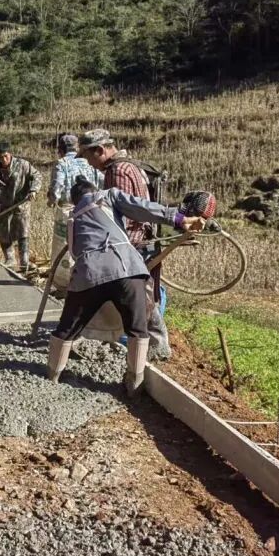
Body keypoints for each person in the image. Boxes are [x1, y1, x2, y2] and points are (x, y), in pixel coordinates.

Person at [47, 179, 205, 397]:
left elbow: (75, 253)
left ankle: (53, 375)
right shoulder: (107, 196)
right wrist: (180, 219)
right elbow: (141, 207)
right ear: (95, 191)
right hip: (127, 269)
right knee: (137, 328)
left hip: (89, 272)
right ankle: (134, 385)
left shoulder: (73, 218)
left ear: (75, 200)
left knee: (67, 328)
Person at [78, 128, 172, 358]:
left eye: (89, 157)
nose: (89, 164)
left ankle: (156, 345)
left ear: (99, 150)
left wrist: (115, 246)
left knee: (140, 296)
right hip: (139, 241)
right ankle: (116, 338)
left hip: (132, 243)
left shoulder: (117, 172)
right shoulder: (129, 166)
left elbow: (126, 212)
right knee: (137, 294)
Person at [46, 133, 99, 289]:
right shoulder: (88, 162)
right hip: (91, 209)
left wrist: (52, 200)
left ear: (61, 150)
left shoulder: (62, 164)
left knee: (65, 247)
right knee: (86, 244)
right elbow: (100, 183)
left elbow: (56, 188)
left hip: (69, 210)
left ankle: (64, 284)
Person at [0, 141, 42, 270]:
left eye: (6, 156)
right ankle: (10, 259)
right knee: (3, 233)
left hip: (21, 205)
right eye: (0, 157)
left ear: (10, 154)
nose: (4, 159)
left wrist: (33, 190)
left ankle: (24, 262)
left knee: (23, 232)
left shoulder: (23, 165)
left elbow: (37, 176)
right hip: (3, 207)